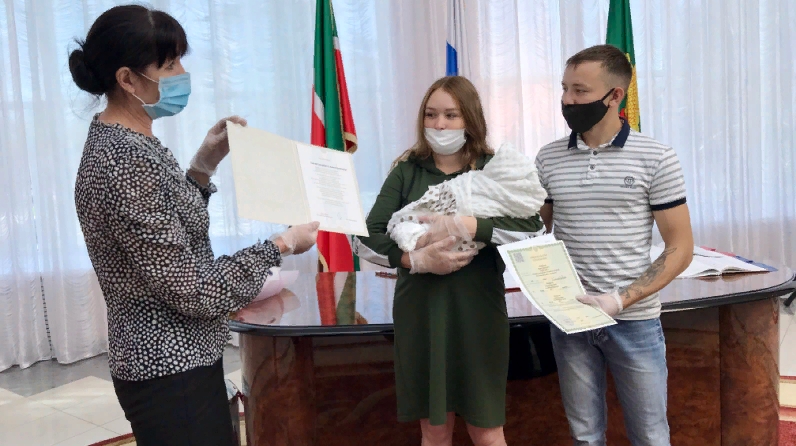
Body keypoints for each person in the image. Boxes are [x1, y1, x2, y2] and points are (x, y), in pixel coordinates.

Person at [69, 6, 319, 446]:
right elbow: (194, 290)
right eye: (170, 65)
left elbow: (171, 227)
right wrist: (280, 244)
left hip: (180, 358)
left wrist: (203, 166)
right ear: (127, 79)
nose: (182, 74)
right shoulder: (125, 160)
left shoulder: (129, 140)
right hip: (168, 367)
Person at [355, 76, 544, 446]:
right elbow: (365, 236)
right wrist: (414, 259)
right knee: (434, 430)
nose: (439, 124)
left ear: (470, 119)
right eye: (431, 114)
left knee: (487, 430)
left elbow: (532, 228)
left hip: (479, 310)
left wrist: (470, 225)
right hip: (421, 312)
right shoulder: (406, 170)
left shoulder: (494, 169)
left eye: (450, 115)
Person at [534, 44, 694, 446]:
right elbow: (533, 232)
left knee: (650, 435)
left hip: (635, 320)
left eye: (580, 91)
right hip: (571, 319)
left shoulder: (656, 157)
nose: (567, 100)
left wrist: (620, 300)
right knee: (585, 436)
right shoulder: (548, 158)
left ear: (615, 96)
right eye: (564, 88)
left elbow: (680, 247)